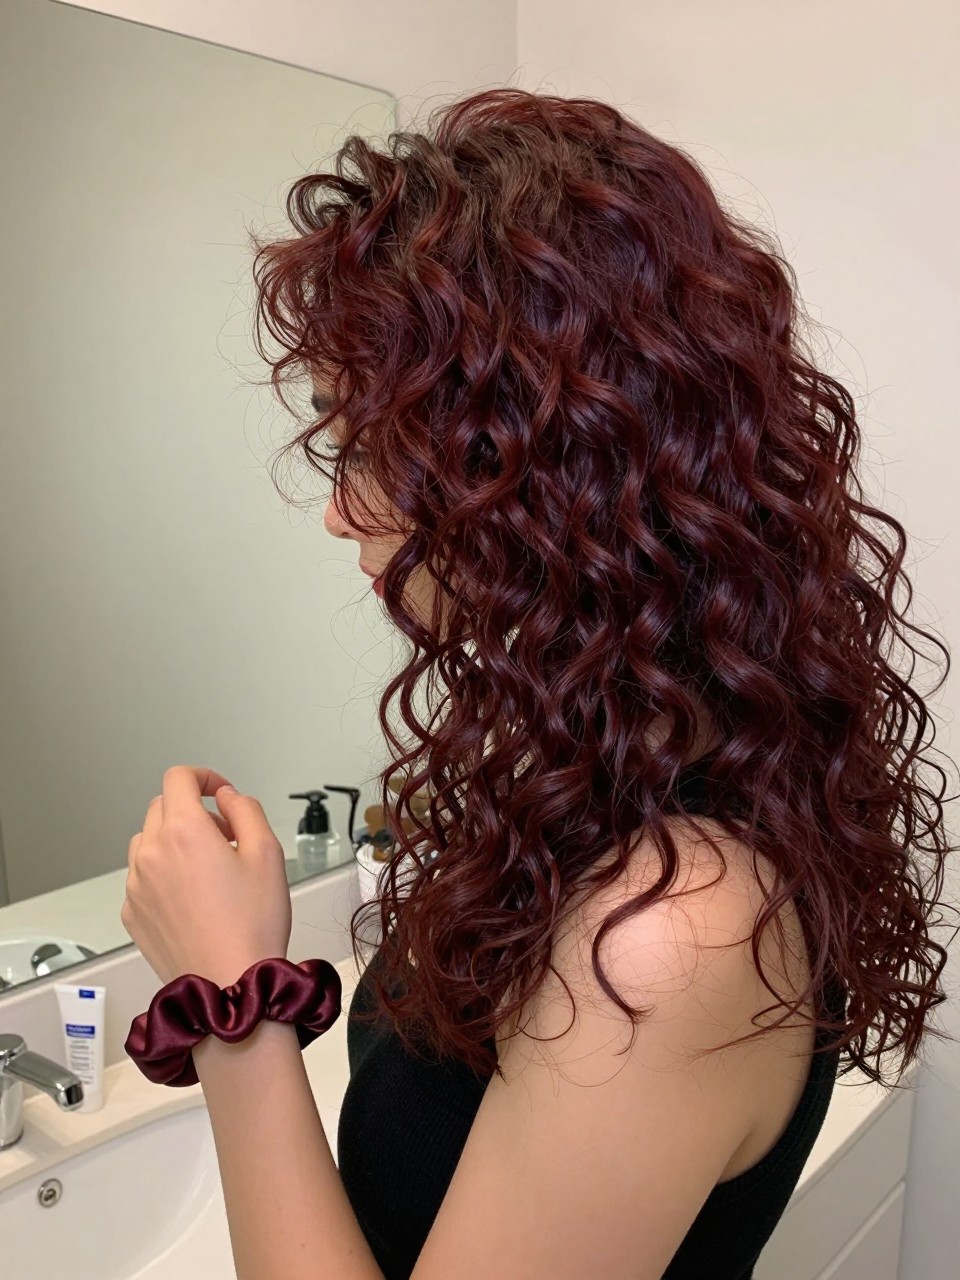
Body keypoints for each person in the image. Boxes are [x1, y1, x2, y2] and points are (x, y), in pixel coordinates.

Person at [127, 87, 957, 1280]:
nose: (340, 504)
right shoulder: (603, 770)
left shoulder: (675, 929)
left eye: (385, 442)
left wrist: (232, 1006)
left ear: (558, 457)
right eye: (339, 434)